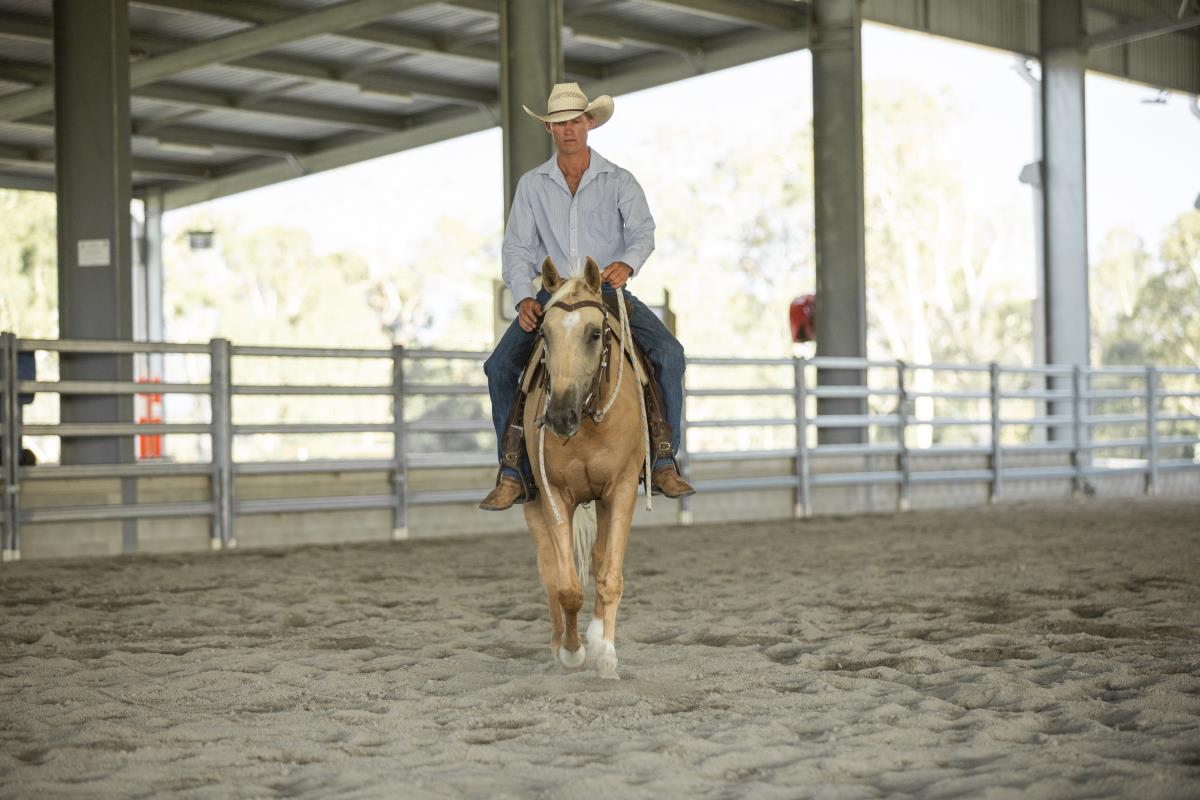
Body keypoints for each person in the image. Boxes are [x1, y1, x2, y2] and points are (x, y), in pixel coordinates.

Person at [480, 82, 695, 511]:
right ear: (549, 129)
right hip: (553, 294)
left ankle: (663, 458)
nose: (568, 129)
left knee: (670, 355)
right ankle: (513, 469)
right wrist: (523, 298)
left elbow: (642, 232)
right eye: (559, 123)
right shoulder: (532, 185)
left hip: (607, 291)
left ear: (589, 123)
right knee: (499, 366)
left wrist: (627, 264)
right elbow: (517, 248)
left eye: (575, 121)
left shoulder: (619, 180)